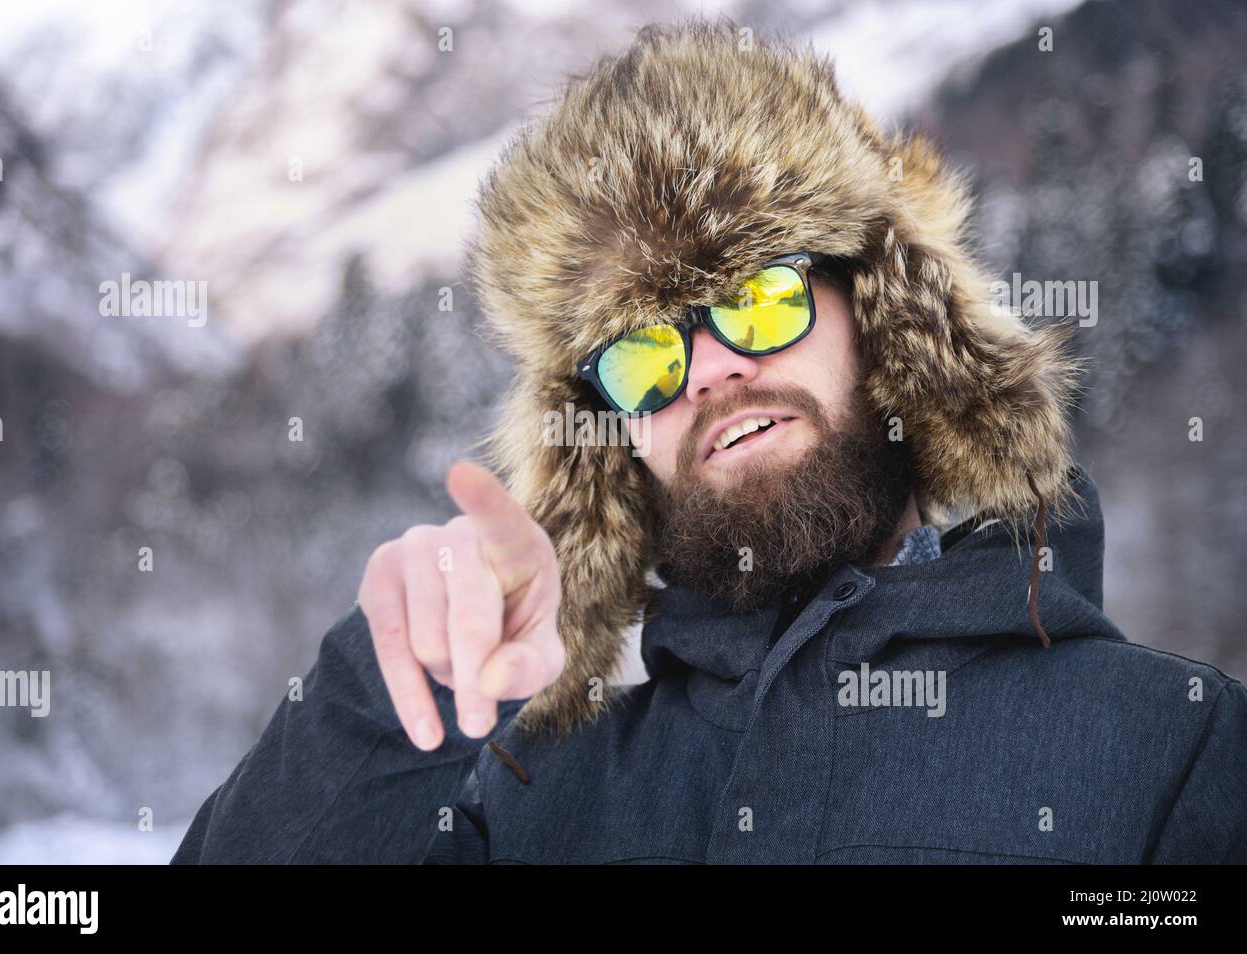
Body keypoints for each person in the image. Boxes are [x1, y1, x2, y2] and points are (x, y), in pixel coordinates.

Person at [173, 18, 1247, 865]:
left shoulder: (1166, 748)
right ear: (611, 437)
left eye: (761, 300)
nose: (715, 369)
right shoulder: (522, 797)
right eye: (644, 356)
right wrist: (386, 699)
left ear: (881, 319)